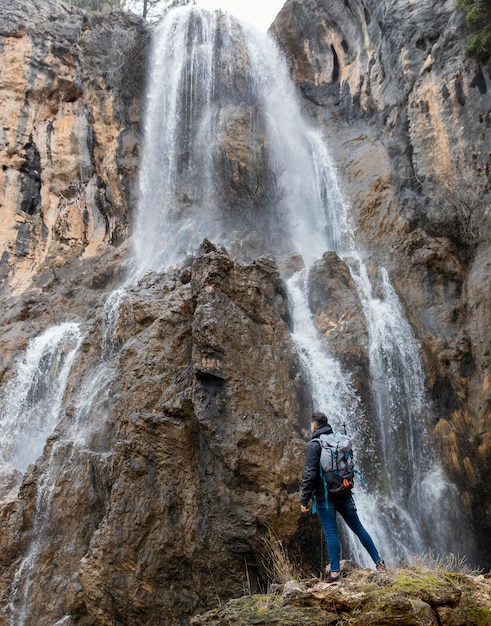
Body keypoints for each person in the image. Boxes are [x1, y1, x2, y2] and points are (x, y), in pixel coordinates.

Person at [300, 411, 387, 583]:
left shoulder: (315, 444)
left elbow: (309, 473)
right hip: (344, 491)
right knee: (358, 528)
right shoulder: (339, 441)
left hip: (325, 496)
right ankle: (379, 563)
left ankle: (334, 573)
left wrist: (304, 499)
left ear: (314, 425)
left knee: (331, 533)